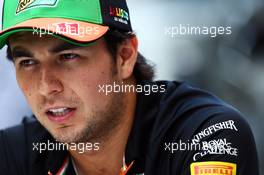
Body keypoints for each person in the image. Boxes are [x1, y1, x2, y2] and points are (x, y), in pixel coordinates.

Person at [0, 0, 259, 175]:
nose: (46, 87)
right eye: (28, 61)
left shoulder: (206, 135)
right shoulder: (14, 154)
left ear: (125, 56)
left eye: (68, 56)